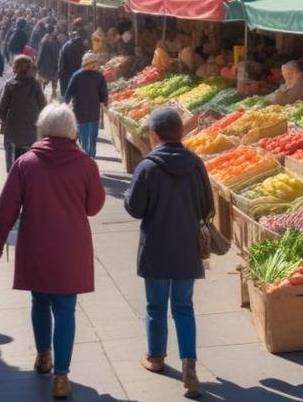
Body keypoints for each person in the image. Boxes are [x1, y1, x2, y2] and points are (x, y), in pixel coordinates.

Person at [0, 104, 106, 399]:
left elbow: (6, 209)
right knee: (65, 310)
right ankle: (62, 377)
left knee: (39, 301)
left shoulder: (26, 162)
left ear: (41, 128)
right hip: (71, 247)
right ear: (72, 131)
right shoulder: (86, 165)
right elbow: (93, 207)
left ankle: (43, 355)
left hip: (36, 245)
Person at [124, 107, 210, 399]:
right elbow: (207, 205)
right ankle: (190, 367)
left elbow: (135, 208)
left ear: (154, 136)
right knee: (184, 306)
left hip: (157, 246)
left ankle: (157, 357)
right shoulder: (196, 163)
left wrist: (128, 194)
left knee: (155, 306)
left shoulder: (147, 167)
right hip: (187, 246)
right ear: (180, 133)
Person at [0, 55, 48, 171]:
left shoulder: (10, 85)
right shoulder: (36, 85)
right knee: (31, 161)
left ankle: (12, 177)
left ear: (15, 68)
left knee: (12, 161)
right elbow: (44, 106)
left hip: (12, 130)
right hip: (32, 130)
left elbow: (1, 109)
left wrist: (3, 116)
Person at [64, 52, 109, 157]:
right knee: (91, 137)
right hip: (90, 111)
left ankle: (86, 157)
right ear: (91, 63)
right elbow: (103, 92)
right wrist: (105, 101)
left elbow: (69, 92)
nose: (97, 65)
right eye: (95, 63)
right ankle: (89, 158)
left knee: (87, 137)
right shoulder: (97, 76)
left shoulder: (78, 75)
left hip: (82, 111)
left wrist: (65, 103)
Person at [58, 19, 90, 96]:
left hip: (68, 74)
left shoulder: (68, 45)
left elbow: (62, 64)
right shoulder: (78, 44)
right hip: (72, 72)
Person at [37, 29, 63, 100]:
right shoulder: (57, 43)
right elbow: (58, 54)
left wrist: (38, 64)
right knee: (54, 78)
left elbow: (40, 54)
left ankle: (42, 93)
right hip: (54, 64)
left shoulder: (44, 43)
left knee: (44, 79)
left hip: (45, 65)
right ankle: (53, 92)